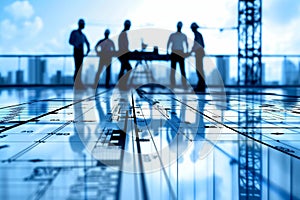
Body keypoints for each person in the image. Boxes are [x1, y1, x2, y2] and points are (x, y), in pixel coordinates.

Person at [69, 19, 90, 89]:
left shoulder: (83, 35)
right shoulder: (74, 33)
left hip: (81, 52)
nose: (83, 25)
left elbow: (87, 43)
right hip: (76, 51)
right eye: (82, 24)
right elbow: (70, 41)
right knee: (77, 67)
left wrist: (88, 49)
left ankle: (79, 83)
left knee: (80, 68)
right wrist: (77, 45)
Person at [167, 21, 189, 88]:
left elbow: (168, 44)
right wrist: (186, 52)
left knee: (175, 70)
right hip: (179, 53)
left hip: (175, 53)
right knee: (180, 70)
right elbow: (186, 44)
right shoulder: (182, 35)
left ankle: (174, 85)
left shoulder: (173, 35)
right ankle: (182, 85)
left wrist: (167, 52)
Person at [190, 22, 205, 92]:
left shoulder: (197, 35)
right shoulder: (198, 35)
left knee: (199, 70)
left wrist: (191, 51)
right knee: (200, 69)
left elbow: (197, 45)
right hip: (199, 53)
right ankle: (201, 85)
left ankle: (201, 86)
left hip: (199, 53)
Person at [117, 20, 132, 87]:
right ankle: (122, 84)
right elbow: (123, 46)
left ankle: (121, 84)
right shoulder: (123, 34)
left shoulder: (124, 33)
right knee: (129, 69)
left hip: (123, 54)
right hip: (123, 55)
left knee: (122, 69)